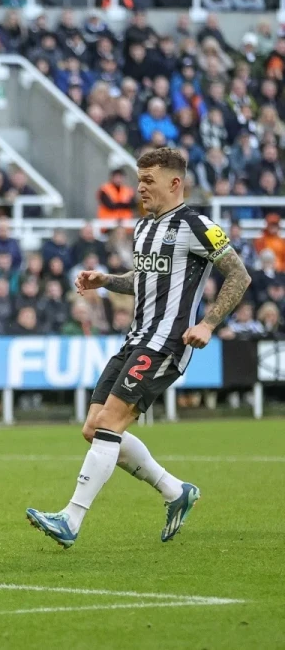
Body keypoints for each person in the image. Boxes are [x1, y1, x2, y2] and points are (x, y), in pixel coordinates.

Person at [27, 148, 250, 548]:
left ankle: (70, 519)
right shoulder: (144, 227)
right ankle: (175, 490)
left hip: (167, 343)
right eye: (139, 179)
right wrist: (107, 280)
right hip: (135, 338)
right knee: (93, 428)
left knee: (110, 424)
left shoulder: (197, 225)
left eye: (149, 180)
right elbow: (144, 279)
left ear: (175, 183)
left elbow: (239, 274)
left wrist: (208, 323)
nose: (140, 187)